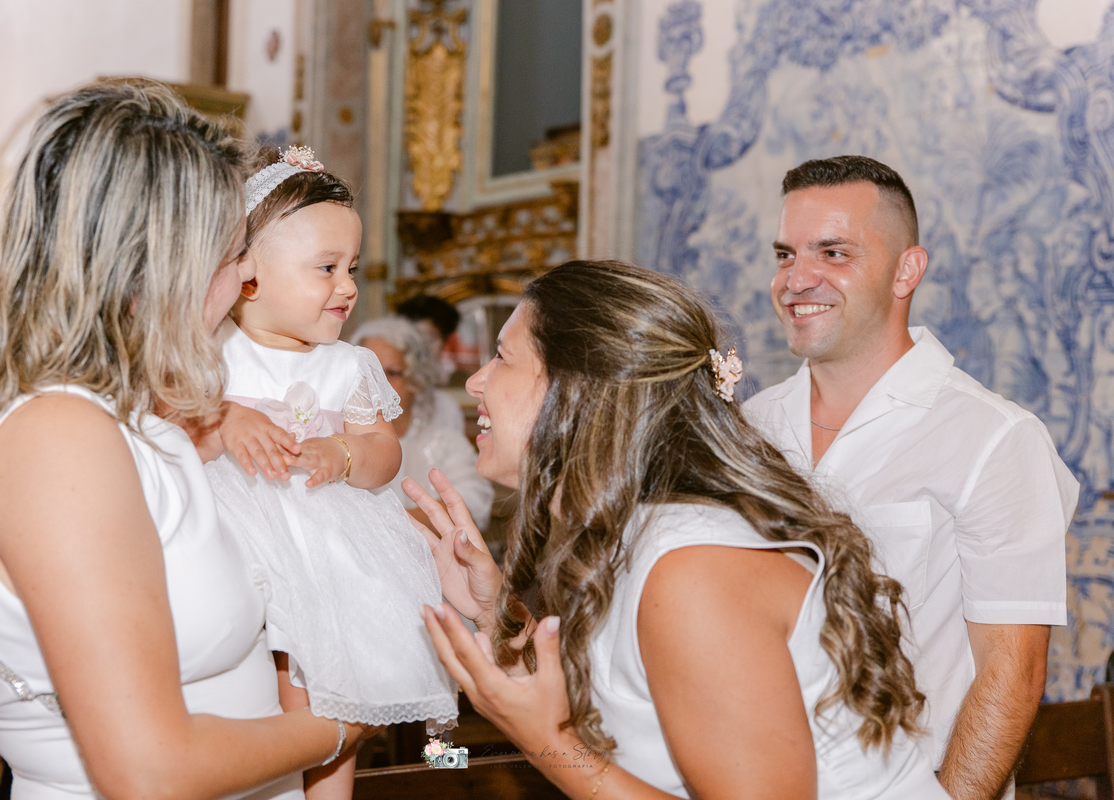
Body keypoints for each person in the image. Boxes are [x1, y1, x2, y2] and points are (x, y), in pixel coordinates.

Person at [0, 81, 375, 800]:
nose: (250, 276)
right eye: (234, 254)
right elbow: (148, 769)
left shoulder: (115, 422)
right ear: (155, 269)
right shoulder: (58, 440)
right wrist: (348, 722)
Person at [405, 260, 950, 798]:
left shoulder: (694, 569)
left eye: (502, 358)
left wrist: (551, 744)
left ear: (578, 389)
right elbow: (624, 697)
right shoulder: (632, 537)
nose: (476, 380)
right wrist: (494, 607)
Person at [742, 155, 1077, 800]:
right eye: (785, 254)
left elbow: (1012, 672)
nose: (796, 279)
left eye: (833, 252)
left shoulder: (993, 439)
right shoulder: (749, 430)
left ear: (907, 270)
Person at [201, 147, 457, 799]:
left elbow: (384, 452)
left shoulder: (348, 366)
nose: (348, 287)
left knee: (328, 675)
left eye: (352, 269)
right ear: (249, 273)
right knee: (255, 674)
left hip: (326, 542)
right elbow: (176, 424)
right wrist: (225, 417)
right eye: (326, 268)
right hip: (234, 531)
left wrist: (344, 454)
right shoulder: (213, 354)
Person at [352, 316, 493, 530]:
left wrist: (387, 526)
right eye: (369, 373)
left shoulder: (444, 442)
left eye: (391, 373)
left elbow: (472, 503)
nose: (377, 384)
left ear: (415, 379)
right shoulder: (340, 442)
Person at [395, 294, 469, 431]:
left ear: (444, 344)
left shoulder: (448, 409)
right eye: (414, 338)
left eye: (430, 338)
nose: (421, 349)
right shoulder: (385, 399)